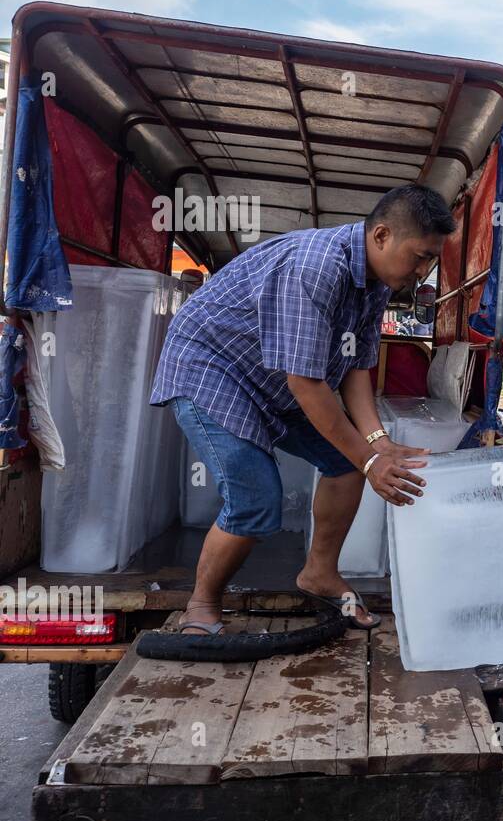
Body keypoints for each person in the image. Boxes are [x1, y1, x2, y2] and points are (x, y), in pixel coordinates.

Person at [149, 184, 455, 634]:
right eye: (420, 256)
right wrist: (370, 459)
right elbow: (307, 385)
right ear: (382, 235)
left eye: (432, 260)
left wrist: (378, 444)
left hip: (273, 381)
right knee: (256, 499)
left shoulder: (375, 284)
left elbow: (355, 368)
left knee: (345, 467)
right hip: (212, 370)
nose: (424, 271)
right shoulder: (315, 266)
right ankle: (201, 606)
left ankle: (319, 575)